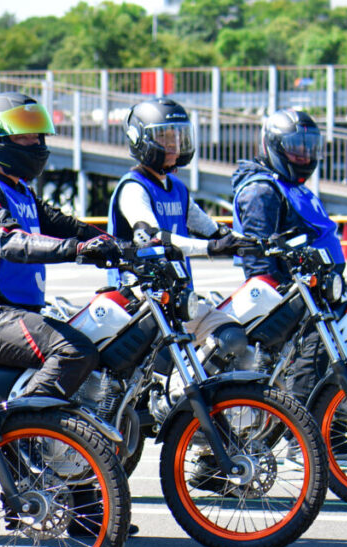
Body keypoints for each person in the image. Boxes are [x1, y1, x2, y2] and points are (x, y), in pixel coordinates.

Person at [0, 93, 120, 400]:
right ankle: (24, 424)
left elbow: (66, 225)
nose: (34, 143)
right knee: (74, 351)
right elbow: (10, 242)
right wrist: (76, 250)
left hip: (13, 311)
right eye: (23, 136)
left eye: (36, 135)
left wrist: (122, 246)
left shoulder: (19, 190)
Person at [108, 97, 252, 359]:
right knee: (164, 365)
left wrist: (255, 243)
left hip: (179, 300)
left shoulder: (177, 188)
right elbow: (154, 237)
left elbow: (213, 230)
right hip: (143, 304)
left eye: (177, 135)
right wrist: (210, 248)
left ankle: (196, 385)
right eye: (164, 136)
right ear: (140, 139)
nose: (174, 143)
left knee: (232, 338)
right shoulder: (133, 188)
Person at [232, 108, 343, 400]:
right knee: (314, 355)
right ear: (275, 146)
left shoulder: (292, 186)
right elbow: (259, 263)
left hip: (321, 293)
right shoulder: (262, 190)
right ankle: (301, 423)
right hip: (295, 302)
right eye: (296, 148)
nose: (304, 156)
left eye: (310, 147)